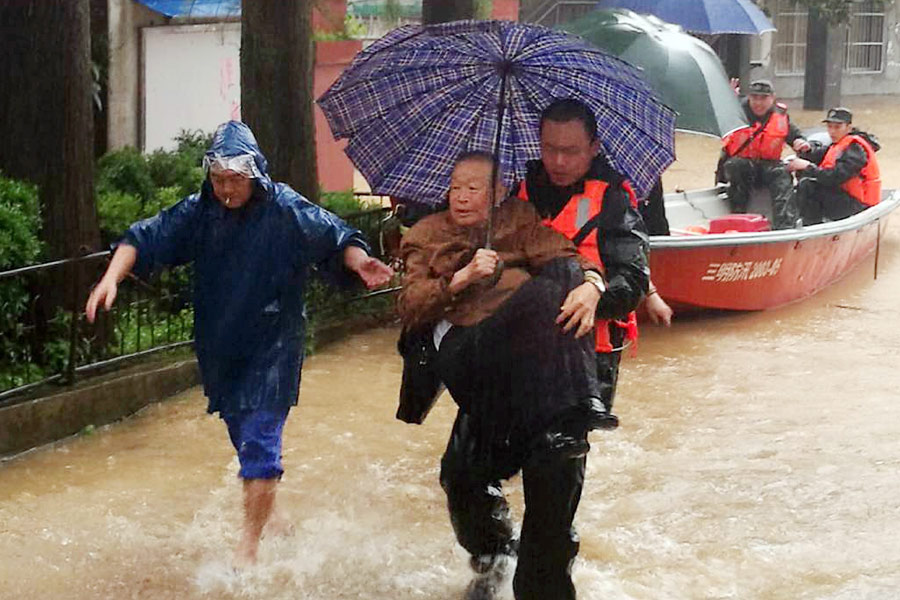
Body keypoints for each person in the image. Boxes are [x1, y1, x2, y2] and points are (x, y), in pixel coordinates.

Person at [84, 121, 393, 567]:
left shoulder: (285, 208)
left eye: (235, 180)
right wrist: (110, 278)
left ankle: (247, 549)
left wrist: (360, 262)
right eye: (218, 180)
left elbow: (336, 236)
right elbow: (142, 237)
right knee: (243, 436)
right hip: (221, 343)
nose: (227, 189)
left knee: (260, 440)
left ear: (256, 176)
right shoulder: (198, 212)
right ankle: (272, 512)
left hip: (274, 342)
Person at [398, 152, 615, 600]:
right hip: (467, 347)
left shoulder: (517, 217)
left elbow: (562, 253)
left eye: (474, 188)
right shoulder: (426, 234)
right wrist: (458, 279)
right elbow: (409, 306)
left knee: (562, 277)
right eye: (456, 186)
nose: (461, 196)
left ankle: (510, 566)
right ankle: (495, 557)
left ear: (498, 193)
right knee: (541, 297)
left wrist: (591, 282)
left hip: (525, 369)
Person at [513, 99, 651, 415]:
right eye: (549, 149)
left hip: (589, 353)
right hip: (522, 344)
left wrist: (596, 291)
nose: (558, 161)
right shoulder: (517, 195)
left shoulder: (613, 200)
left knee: (561, 453)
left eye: (571, 151)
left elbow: (633, 280)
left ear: (593, 147)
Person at [719, 79, 811, 229]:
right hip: (742, 168)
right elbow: (718, 121)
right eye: (754, 98)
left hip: (769, 167)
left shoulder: (781, 116)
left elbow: (795, 135)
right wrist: (726, 100)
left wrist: (800, 142)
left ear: (772, 98)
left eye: (763, 98)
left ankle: (785, 227)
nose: (758, 103)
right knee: (736, 165)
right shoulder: (735, 112)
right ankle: (737, 220)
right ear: (748, 97)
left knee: (782, 173)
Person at [787, 107, 882, 224]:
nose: (832, 131)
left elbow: (835, 177)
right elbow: (821, 154)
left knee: (808, 185)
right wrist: (807, 150)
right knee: (804, 180)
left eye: (837, 127)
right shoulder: (839, 144)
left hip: (859, 205)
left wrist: (808, 167)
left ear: (848, 127)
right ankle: (803, 221)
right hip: (845, 198)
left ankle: (811, 226)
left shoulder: (855, 149)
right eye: (829, 127)